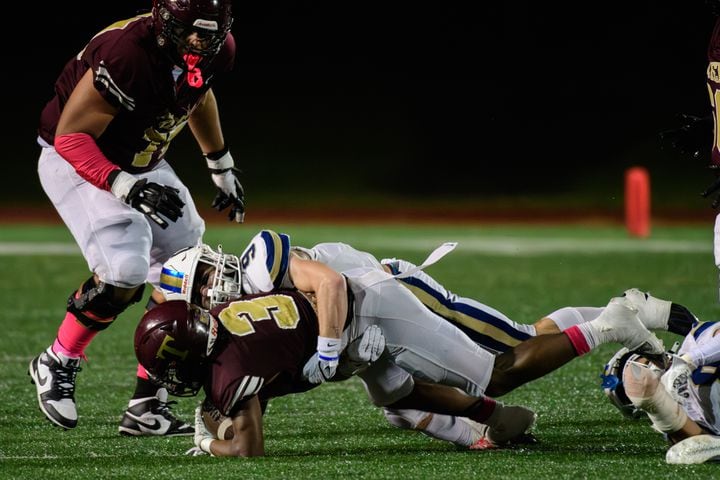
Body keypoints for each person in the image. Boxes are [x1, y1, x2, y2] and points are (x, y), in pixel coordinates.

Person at [157, 231, 696, 448]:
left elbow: (330, 284)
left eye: (206, 276)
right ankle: (493, 423)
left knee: (502, 359)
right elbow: (254, 385)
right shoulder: (234, 323)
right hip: (361, 318)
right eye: (200, 290)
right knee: (392, 395)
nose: (211, 289)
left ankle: (612, 323)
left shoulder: (259, 264)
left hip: (379, 296)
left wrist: (330, 349)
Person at [28, 0, 246, 436]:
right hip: (78, 159)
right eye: (191, 31)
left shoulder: (216, 49)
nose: (201, 43)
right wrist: (126, 186)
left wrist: (220, 165)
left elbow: (197, 96)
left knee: (192, 273)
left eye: (210, 33)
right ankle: (58, 359)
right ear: (165, 22)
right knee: (123, 272)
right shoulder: (127, 52)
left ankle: (148, 403)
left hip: (143, 161)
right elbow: (73, 137)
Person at [599, 318, 720, 464]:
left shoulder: (694, 342)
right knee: (676, 455)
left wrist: (689, 359)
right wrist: (658, 407)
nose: (648, 371)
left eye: (644, 363)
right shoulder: (674, 418)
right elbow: (700, 446)